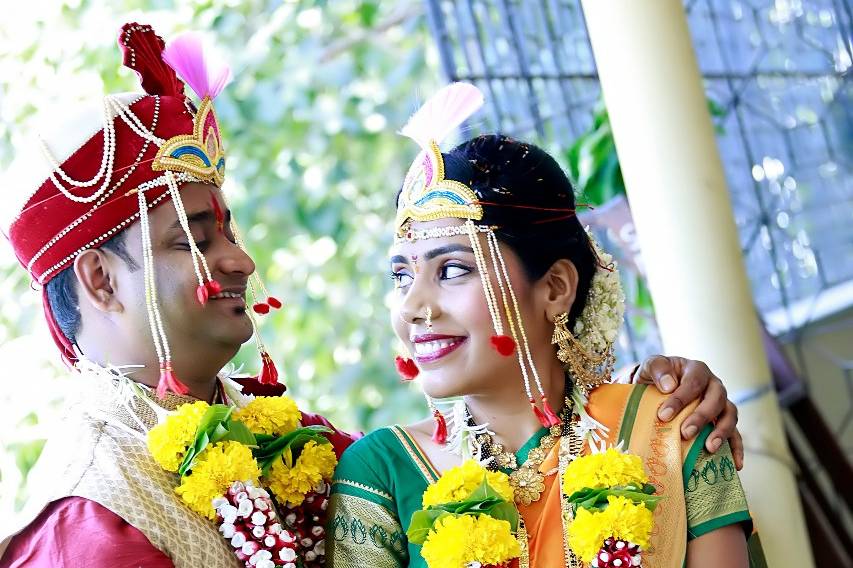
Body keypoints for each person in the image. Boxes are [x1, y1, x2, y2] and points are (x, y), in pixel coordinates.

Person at [327, 84, 758, 567]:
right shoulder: (384, 471)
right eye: (402, 275)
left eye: (452, 270)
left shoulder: (666, 426)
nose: (413, 306)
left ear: (554, 288)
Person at [0, 24, 355, 568]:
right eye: (192, 239)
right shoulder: (89, 523)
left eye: (229, 233)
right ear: (101, 280)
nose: (242, 261)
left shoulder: (292, 434)